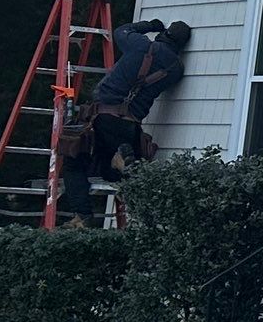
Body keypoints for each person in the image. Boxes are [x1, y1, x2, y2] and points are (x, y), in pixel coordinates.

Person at [59, 19, 191, 223]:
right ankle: (119, 158)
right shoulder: (176, 69)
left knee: (73, 163)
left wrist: (151, 25)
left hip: (102, 117)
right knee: (109, 172)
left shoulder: (140, 45)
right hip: (130, 128)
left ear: (163, 35)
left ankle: (82, 216)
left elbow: (121, 31)